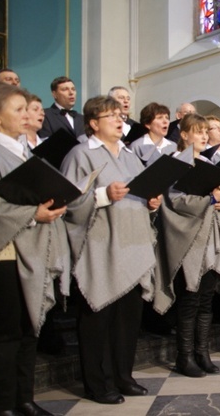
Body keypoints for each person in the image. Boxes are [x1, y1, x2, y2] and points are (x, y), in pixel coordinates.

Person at [0, 82, 70, 416]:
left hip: (29, 248)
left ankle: (24, 398)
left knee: (28, 326)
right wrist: (32, 213)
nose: (27, 115)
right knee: (3, 331)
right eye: (17, 110)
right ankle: (0, 405)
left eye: (27, 109)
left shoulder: (24, 151)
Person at [61, 96, 161, 405]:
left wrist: (151, 204)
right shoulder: (80, 154)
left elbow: (141, 194)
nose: (120, 120)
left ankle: (123, 376)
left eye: (121, 115)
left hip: (132, 245)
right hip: (100, 248)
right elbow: (67, 202)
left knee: (127, 320)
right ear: (93, 123)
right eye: (111, 116)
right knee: (97, 320)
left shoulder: (131, 155)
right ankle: (98, 384)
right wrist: (103, 194)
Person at [155, 113, 220, 377]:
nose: (203, 135)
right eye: (197, 131)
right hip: (187, 240)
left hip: (209, 237)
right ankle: (184, 357)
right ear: (184, 134)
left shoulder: (207, 162)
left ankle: (203, 352)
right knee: (189, 300)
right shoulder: (175, 164)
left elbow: (215, 200)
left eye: (204, 131)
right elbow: (174, 202)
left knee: (206, 300)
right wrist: (210, 199)